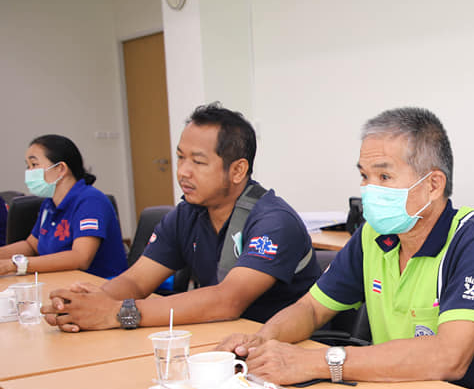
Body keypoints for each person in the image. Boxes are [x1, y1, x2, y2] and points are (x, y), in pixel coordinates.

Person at [217, 107, 474, 389]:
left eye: (384, 178)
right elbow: (312, 309)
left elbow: (449, 357)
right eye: (364, 176)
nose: (368, 190)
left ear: (434, 185)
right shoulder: (373, 236)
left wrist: (318, 362)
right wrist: (263, 340)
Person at [42, 103, 322, 331]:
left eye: (198, 162)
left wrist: (117, 313)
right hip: (216, 339)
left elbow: (227, 301)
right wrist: (87, 303)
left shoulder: (273, 222)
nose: (183, 172)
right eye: (180, 158)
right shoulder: (187, 214)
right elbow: (136, 281)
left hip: (276, 349)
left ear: (238, 170)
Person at [0, 135, 126, 278]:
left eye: (34, 165)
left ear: (61, 169)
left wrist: (15, 265)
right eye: (28, 166)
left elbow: (80, 257)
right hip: (60, 281)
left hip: (99, 284)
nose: (29, 172)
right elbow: (31, 246)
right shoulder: (49, 204)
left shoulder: (91, 201)